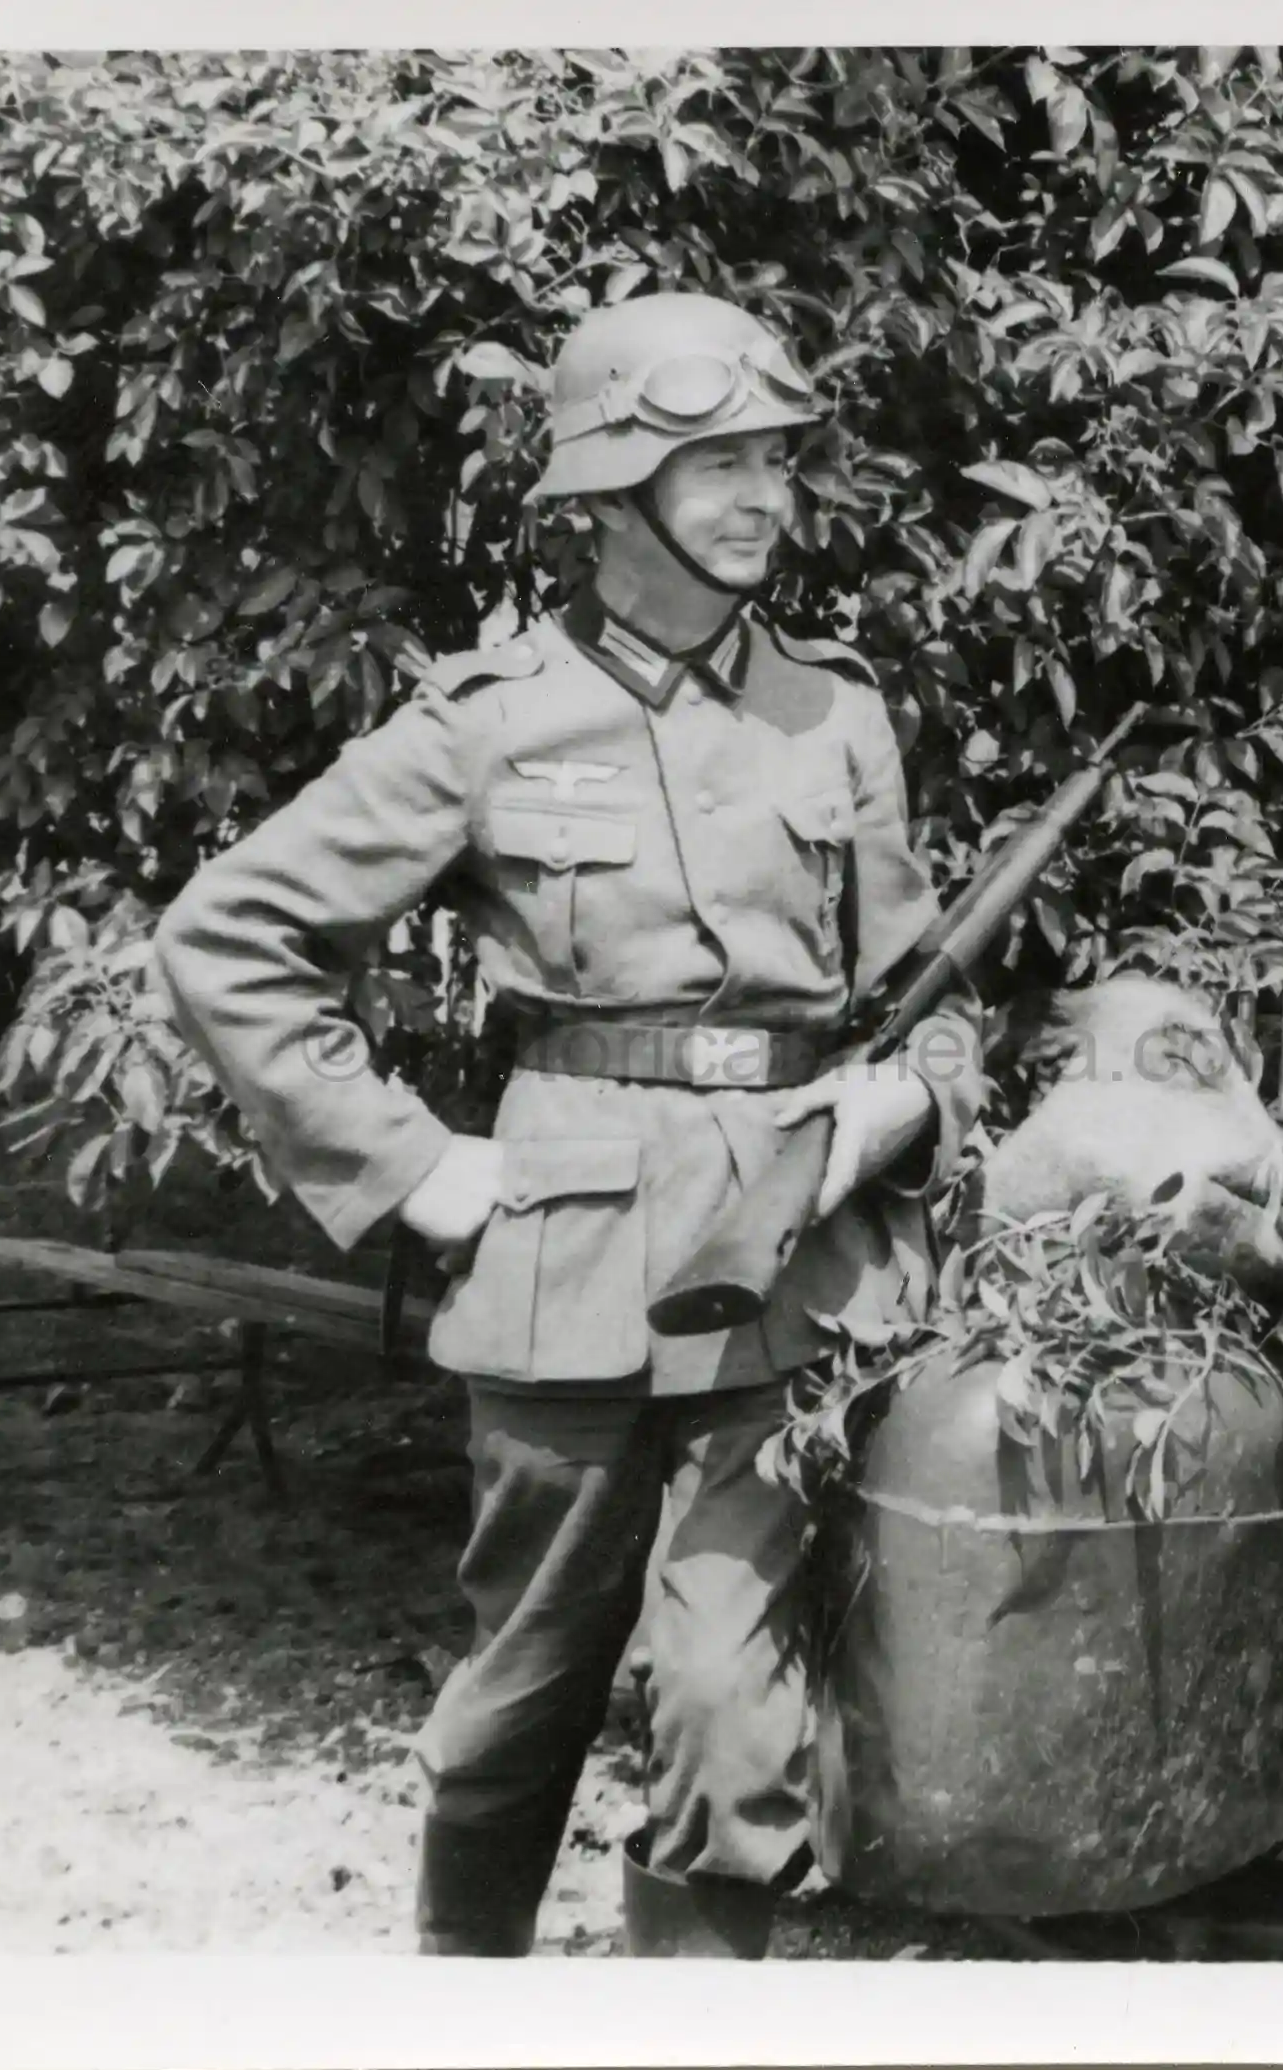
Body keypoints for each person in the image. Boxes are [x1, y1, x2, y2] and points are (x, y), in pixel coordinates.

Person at [156, 292, 986, 1958]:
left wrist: (906, 1098)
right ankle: (468, 2011)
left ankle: (679, 2052)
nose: (762, 497)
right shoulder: (492, 717)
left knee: (733, 1707)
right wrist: (409, 1162)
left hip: (787, 1273)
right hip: (567, 1263)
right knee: (520, 1691)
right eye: (719, 463)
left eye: (776, 461)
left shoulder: (834, 709)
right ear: (613, 492)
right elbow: (227, 936)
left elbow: (928, 996)